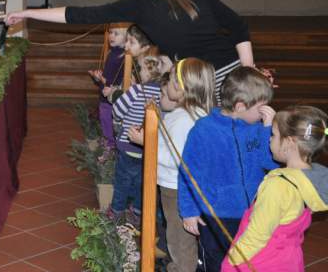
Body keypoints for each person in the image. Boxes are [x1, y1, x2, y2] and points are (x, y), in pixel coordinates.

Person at [6, 0, 253, 98]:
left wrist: (29, 12)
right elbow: (238, 26)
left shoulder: (141, 4)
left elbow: (81, 15)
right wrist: (248, 72)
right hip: (231, 70)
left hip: (207, 82)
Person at [178, 67, 278, 272]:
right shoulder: (204, 130)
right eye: (261, 108)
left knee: (246, 260)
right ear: (240, 106)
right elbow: (189, 173)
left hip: (251, 213)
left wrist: (267, 130)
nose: (264, 112)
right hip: (216, 214)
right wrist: (189, 211)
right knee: (214, 262)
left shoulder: (257, 128)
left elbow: (270, 163)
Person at [130, 58, 216, 272]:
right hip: (183, 186)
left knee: (179, 238)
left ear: (179, 87)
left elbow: (177, 159)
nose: (166, 85)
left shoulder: (183, 119)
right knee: (179, 234)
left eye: (169, 81)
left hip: (176, 188)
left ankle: (182, 268)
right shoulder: (195, 113)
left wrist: (147, 143)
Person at [221, 106, 328, 272]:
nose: (270, 139)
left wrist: (231, 264)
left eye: (273, 135)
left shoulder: (278, 186)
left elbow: (257, 235)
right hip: (289, 260)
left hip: (262, 261)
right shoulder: (312, 181)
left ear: (289, 142)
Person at [110, 55, 164, 226]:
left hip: (128, 145)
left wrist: (118, 120)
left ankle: (117, 211)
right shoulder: (162, 95)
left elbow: (117, 110)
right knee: (142, 182)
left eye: (140, 69)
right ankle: (138, 213)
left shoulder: (136, 91)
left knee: (122, 181)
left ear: (147, 73)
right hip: (147, 148)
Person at [89, 24, 128, 146]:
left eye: (116, 34)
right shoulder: (112, 53)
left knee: (109, 121)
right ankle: (107, 139)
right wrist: (98, 77)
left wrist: (102, 79)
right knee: (104, 120)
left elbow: (119, 82)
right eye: (110, 32)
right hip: (104, 96)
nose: (111, 36)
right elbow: (107, 76)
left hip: (111, 98)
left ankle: (110, 145)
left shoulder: (123, 57)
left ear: (126, 37)